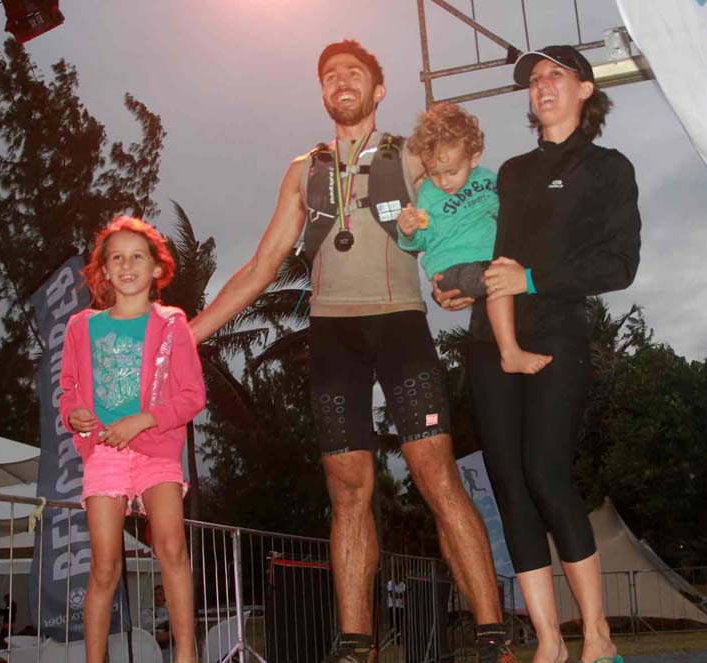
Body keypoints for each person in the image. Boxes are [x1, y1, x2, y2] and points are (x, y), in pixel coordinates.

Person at [189, 40, 512, 663]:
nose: (342, 80)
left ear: (377, 89)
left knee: (437, 476)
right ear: (321, 93)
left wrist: (465, 274)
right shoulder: (303, 169)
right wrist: (188, 334)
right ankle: (356, 644)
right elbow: (260, 267)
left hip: (401, 326)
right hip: (332, 333)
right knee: (347, 489)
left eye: (354, 72)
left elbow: (471, 193)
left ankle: (495, 637)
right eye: (330, 74)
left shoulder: (410, 153)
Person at [434, 45, 641, 663]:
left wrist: (532, 280)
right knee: (509, 487)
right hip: (488, 341)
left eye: (556, 75)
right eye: (534, 79)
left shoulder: (609, 168)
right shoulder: (512, 172)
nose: (542, 85)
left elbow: (620, 265)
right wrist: (460, 285)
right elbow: (493, 248)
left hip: (556, 334)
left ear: (584, 89)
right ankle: (549, 642)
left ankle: (597, 637)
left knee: (547, 472)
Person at [60, 216, 206, 663]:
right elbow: (68, 390)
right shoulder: (81, 327)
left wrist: (142, 420)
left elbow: (192, 396)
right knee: (105, 565)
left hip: (157, 450)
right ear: (103, 270)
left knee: (171, 548)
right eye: (116, 257)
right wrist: (75, 415)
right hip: (104, 453)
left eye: (137, 256)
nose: (126, 265)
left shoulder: (171, 325)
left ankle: (185, 655)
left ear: (157, 269)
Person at [397, 103, 551, 374]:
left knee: (502, 273)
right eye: (434, 173)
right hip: (451, 269)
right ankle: (510, 353)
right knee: (497, 278)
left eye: (452, 172)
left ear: (475, 157)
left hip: (488, 260)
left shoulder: (490, 180)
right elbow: (424, 240)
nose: (443, 182)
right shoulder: (429, 195)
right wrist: (408, 232)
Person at [142, 585, 172, 650]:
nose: (157, 597)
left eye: (160, 594)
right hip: (153, 646)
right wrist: (165, 619)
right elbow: (147, 625)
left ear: (165, 596)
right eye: (155, 594)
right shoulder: (148, 611)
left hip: (171, 648)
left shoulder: (171, 610)